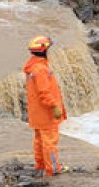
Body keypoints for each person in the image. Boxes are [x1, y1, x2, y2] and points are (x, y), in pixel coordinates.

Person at [24, 35, 67, 176]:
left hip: (37, 113)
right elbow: (44, 92)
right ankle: (53, 169)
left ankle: (41, 166)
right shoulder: (41, 69)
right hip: (46, 113)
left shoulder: (33, 66)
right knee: (50, 142)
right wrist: (55, 106)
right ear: (44, 50)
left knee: (39, 140)